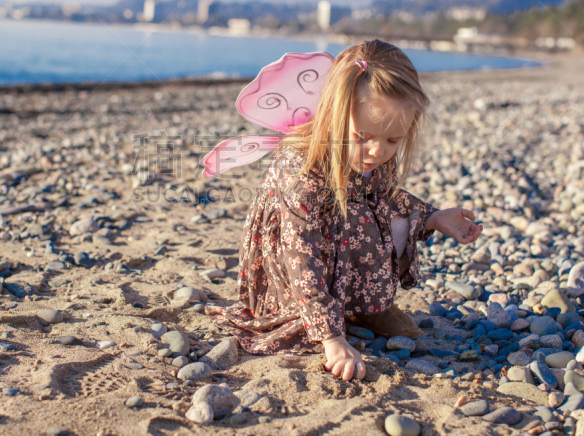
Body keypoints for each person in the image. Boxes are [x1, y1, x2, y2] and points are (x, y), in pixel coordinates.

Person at [204, 39, 483, 382]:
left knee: (380, 216)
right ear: (334, 114)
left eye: (393, 139)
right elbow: (300, 257)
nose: (377, 151)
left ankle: (364, 308)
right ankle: (330, 319)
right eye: (362, 136)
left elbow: (383, 197)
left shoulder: (375, 153)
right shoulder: (301, 168)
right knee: (344, 240)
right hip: (293, 265)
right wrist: (332, 339)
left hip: (338, 244)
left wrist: (433, 217)